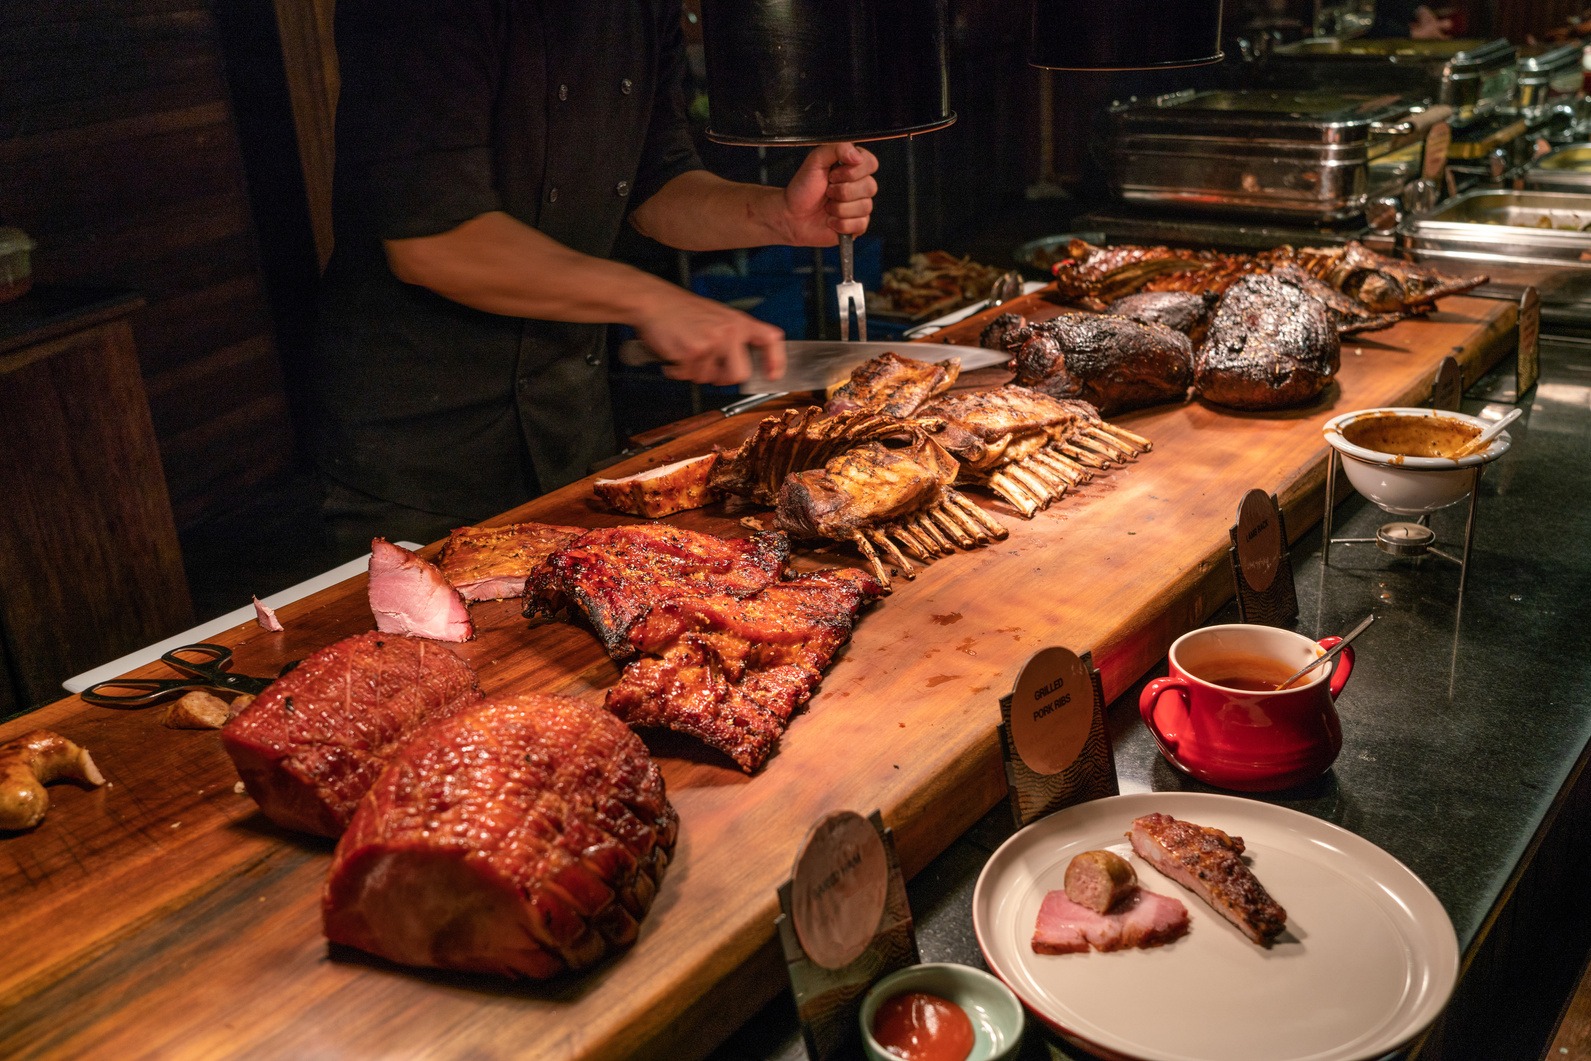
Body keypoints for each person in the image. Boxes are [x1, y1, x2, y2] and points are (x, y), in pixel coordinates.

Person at [310, 0, 879, 555]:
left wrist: (777, 213)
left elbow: (657, 181)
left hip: (569, 428)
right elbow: (433, 240)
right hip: (422, 456)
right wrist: (648, 299)